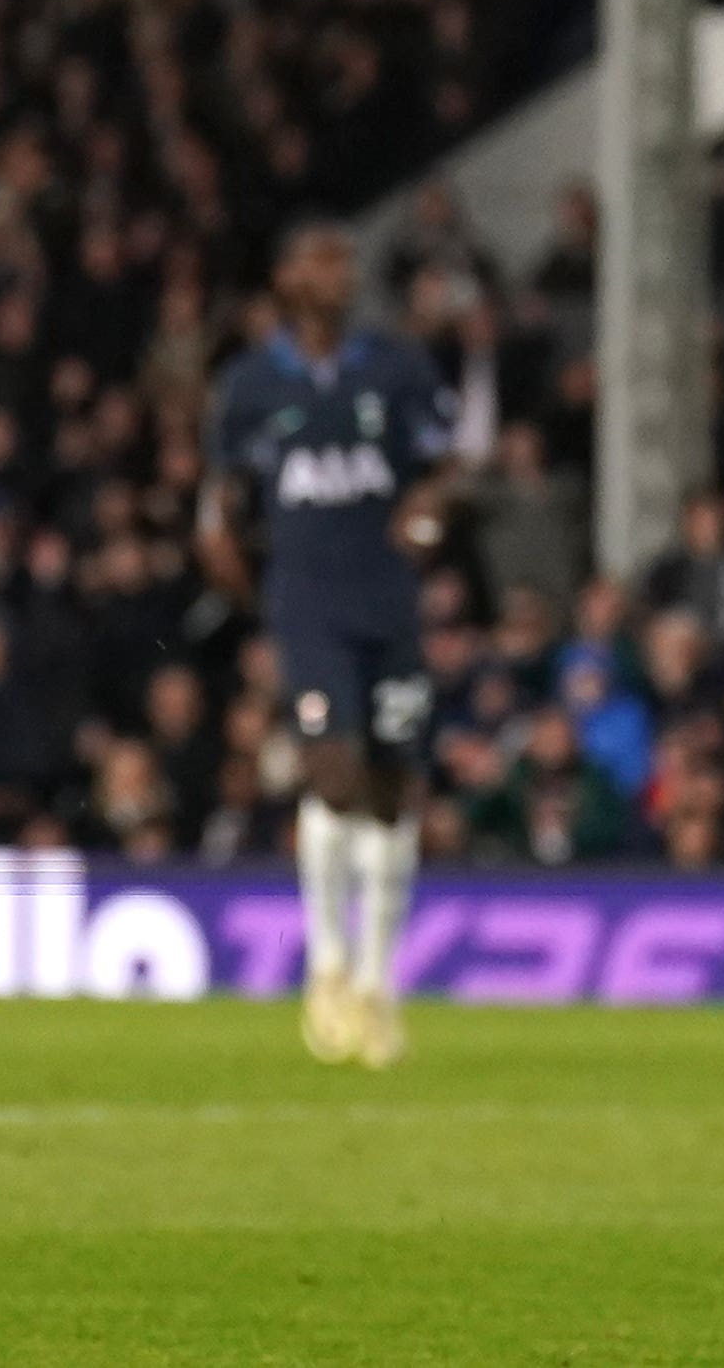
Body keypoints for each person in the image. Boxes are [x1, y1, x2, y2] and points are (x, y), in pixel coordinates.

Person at [202, 221, 456, 1071]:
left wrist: (428, 508)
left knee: (391, 792)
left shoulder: (397, 367)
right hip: (308, 606)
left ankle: (381, 985)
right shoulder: (246, 386)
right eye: (319, 258)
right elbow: (220, 503)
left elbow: (442, 466)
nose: (337, 273)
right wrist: (254, 595)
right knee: (332, 771)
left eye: (345, 259)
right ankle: (327, 966)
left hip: (388, 602)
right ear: (285, 275)